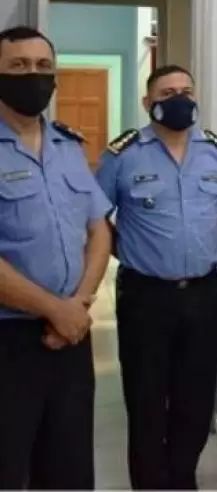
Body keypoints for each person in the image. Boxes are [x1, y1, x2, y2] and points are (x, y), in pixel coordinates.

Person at [94, 64, 217, 489]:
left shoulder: (214, 152)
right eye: (168, 92)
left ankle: (183, 477)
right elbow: (95, 218)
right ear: (147, 102)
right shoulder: (123, 154)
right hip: (146, 296)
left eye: (186, 90)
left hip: (203, 294)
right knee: (147, 401)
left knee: (196, 399)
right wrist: (129, 251)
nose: (179, 98)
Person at [0, 26, 112, 489]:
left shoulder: (69, 146)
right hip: (9, 339)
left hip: (71, 336)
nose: (34, 75)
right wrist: (55, 310)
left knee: (68, 468)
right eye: (19, 66)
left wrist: (79, 304)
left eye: (43, 66)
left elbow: (99, 229)